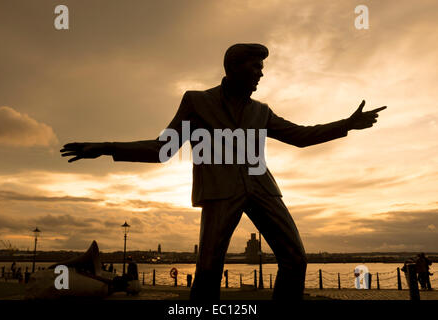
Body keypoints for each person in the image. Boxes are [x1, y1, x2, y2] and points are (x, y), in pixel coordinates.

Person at [60, 43, 386, 300]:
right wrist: (106, 147)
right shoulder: (197, 102)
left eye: (262, 67)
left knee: (296, 259)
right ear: (234, 67)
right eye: (255, 66)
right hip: (219, 192)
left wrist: (347, 124)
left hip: (263, 189)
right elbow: (163, 149)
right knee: (208, 269)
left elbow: (300, 136)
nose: (261, 73)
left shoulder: (261, 111)